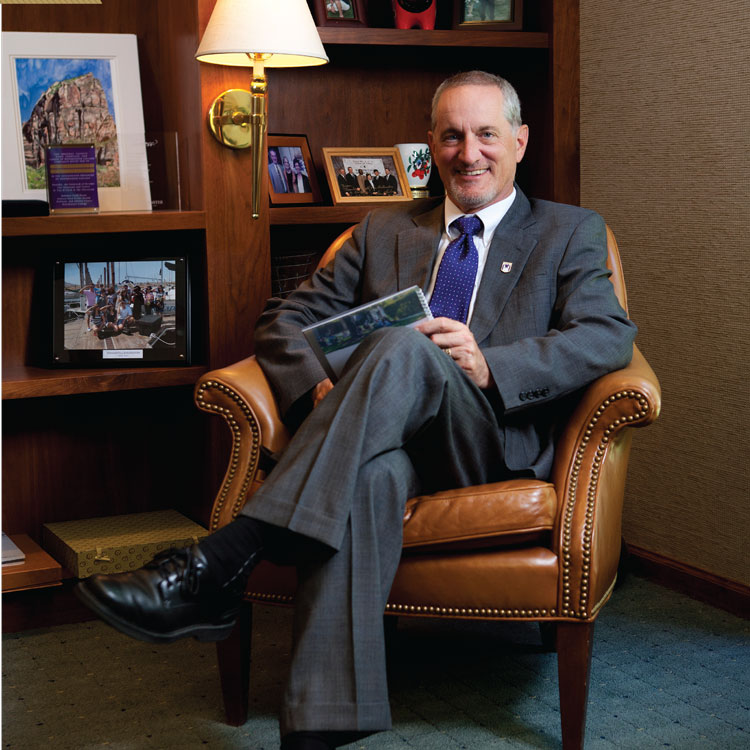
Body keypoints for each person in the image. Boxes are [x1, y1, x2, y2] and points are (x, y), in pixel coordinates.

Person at [75, 71, 636, 750]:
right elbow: (286, 319)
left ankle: (223, 559)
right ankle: (321, 726)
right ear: (430, 146)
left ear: (518, 141)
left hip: (487, 440)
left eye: (487, 134)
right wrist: (317, 388)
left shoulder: (568, 230)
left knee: (403, 345)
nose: (470, 152)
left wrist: (492, 366)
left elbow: (607, 335)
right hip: (379, 437)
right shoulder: (383, 231)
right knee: (369, 475)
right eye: (452, 135)